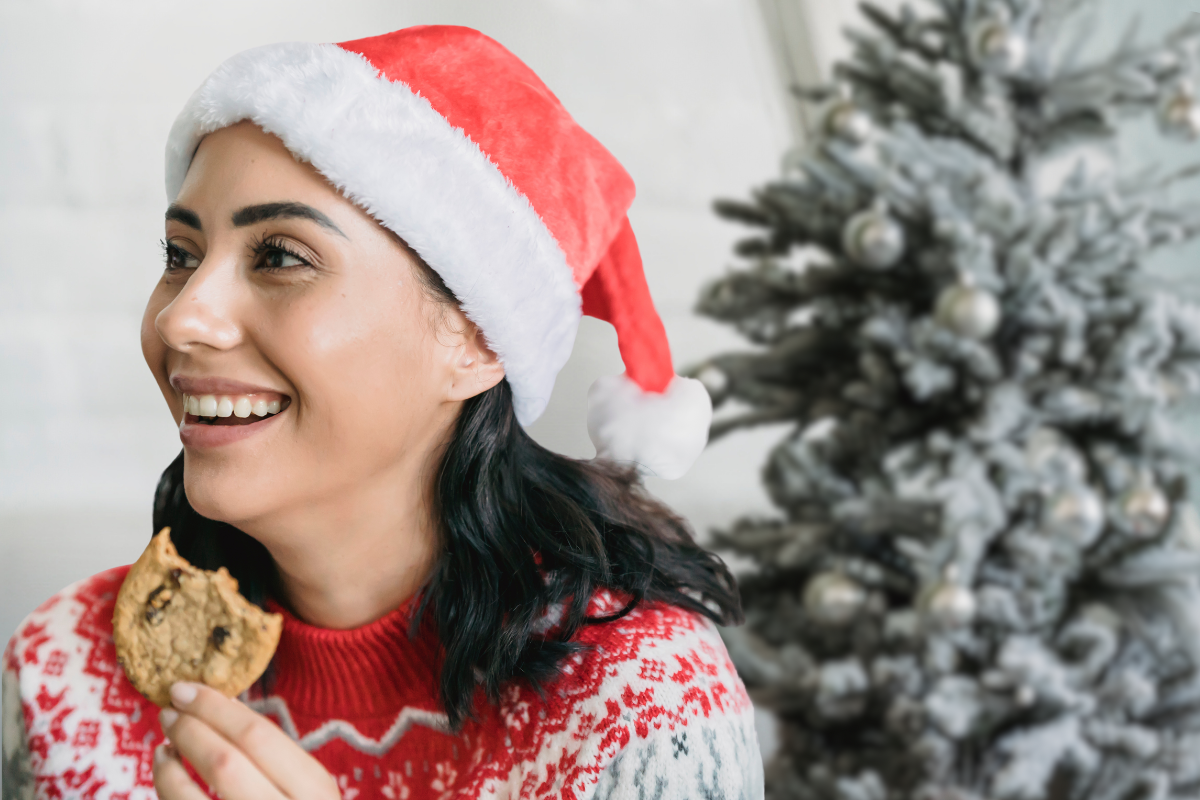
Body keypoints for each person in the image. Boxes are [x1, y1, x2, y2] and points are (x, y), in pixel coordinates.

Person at [2, 25, 762, 800]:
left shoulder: (643, 702)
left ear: (474, 339)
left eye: (280, 256)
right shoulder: (64, 677)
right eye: (180, 255)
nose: (182, 318)